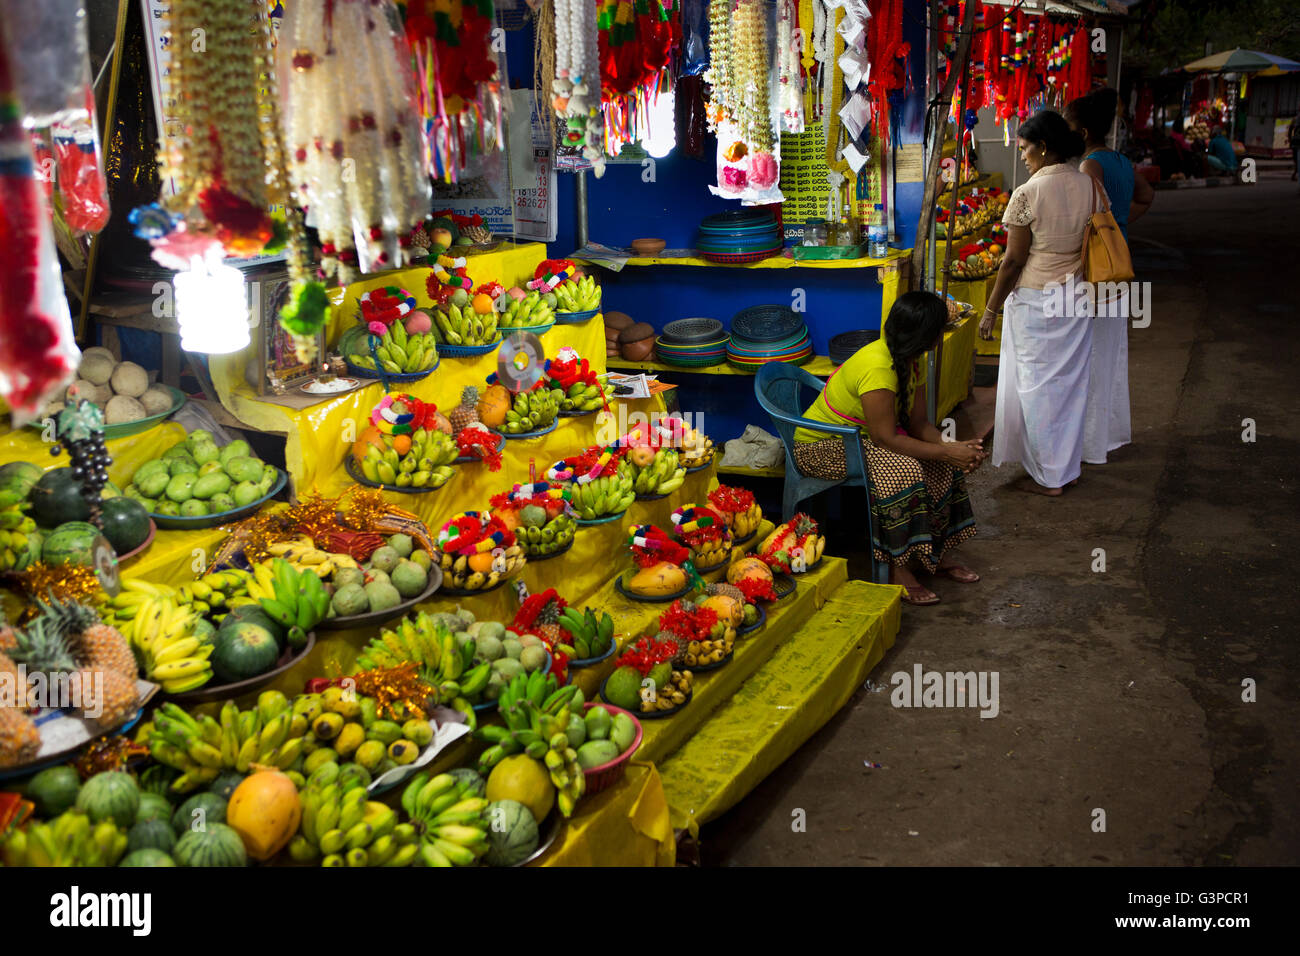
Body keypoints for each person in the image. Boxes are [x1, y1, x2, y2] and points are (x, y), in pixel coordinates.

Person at [793, 291, 984, 606]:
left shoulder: (913, 360)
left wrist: (954, 447)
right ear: (929, 334)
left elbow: (919, 424)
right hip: (822, 446)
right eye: (941, 328)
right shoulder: (879, 367)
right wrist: (948, 451)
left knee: (943, 464)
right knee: (903, 470)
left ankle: (934, 555)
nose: (943, 334)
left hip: (862, 440)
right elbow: (886, 439)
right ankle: (898, 568)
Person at [979, 109, 1095, 496]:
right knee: (1069, 386)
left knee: (1037, 390)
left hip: (1036, 301)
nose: (1023, 157)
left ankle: (1050, 478)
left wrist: (991, 309)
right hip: (1076, 298)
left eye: (1027, 149)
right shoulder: (1089, 185)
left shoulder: (1028, 193)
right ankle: (1065, 468)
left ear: (1044, 148)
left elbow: (1012, 261)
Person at [1068, 88, 1151, 465]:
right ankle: (1108, 434)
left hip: (1097, 270)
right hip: (1120, 264)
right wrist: (1121, 224)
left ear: (1083, 133)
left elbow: (1087, 217)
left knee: (1090, 355)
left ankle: (1088, 443)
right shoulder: (1121, 160)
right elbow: (1148, 196)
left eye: (1069, 127)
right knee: (1111, 352)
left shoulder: (1090, 166)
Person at [1288, 108, 1300, 182]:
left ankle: (1295, 173)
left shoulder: (1295, 119)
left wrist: (1290, 139)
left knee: (1296, 159)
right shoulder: (1295, 119)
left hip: (1295, 141)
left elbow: (1290, 130)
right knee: (1296, 159)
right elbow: (1290, 130)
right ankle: (1295, 173)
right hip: (1296, 141)